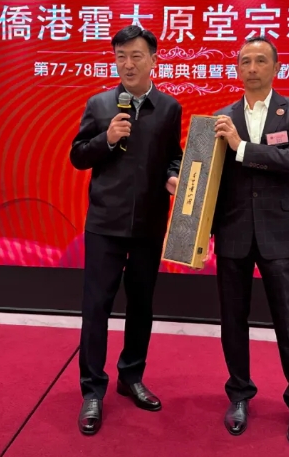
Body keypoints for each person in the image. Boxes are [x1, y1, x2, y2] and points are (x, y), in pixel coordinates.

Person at [69, 25, 183, 436]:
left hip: (149, 224)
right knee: (96, 307)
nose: (128, 64)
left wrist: (173, 177)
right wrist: (106, 138)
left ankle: (131, 376)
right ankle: (92, 390)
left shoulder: (169, 108)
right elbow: (78, 156)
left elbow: (174, 156)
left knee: (141, 306)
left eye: (136, 56)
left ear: (153, 59)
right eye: (120, 56)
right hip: (105, 224)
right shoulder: (100, 104)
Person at [212, 35, 289, 449]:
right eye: (244, 61)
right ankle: (239, 395)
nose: (251, 68)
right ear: (237, 68)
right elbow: (211, 175)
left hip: (279, 230)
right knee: (232, 320)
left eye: (259, 61)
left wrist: (242, 148)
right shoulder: (222, 116)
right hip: (233, 230)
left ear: (276, 67)